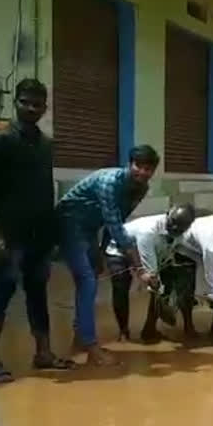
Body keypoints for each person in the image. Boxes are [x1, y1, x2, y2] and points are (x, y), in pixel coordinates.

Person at [0, 79, 72, 382]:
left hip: (38, 236)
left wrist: (53, 236)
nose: (31, 108)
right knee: (2, 292)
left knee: (37, 294)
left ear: (45, 108)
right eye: (25, 102)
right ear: (15, 103)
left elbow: (46, 192)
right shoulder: (0, 140)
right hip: (8, 234)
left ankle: (43, 353)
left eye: (37, 104)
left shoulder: (45, 144)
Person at [56, 145, 159, 365]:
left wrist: (101, 253)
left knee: (91, 274)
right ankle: (92, 348)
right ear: (129, 163)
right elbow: (116, 228)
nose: (142, 172)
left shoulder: (140, 188)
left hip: (91, 227)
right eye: (138, 166)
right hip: (69, 221)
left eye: (148, 168)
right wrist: (139, 268)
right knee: (87, 281)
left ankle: (80, 338)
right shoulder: (109, 182)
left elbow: (116, 221)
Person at [103, 204, 195, 343]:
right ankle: (123, 331)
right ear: (167, 216)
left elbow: (173, 251)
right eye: (172, 225)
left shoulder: (183, 230)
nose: (175, 229)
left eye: (179, 228)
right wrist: (152, 282)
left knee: (165, 283)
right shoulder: (148, 232)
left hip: (153, 250)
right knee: (121, 285)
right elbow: (150, 270)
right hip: (119, 250)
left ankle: (149, 330)